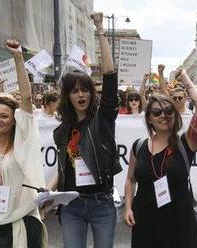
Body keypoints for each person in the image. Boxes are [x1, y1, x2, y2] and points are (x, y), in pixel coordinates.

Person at [53, 12, 122, 248]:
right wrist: (50, 192)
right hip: (72, 205)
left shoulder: (102, 119)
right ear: (67, 96)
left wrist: (100, 29)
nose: (81, 95)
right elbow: (64, 168)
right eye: (74, 91)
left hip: (102, 202)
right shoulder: (61, 131)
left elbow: (110, 77)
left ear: (92, 93)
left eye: (85, 90)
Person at [0, 40, 47, 247]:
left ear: (15, 120)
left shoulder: (23, 144)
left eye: (4, 115)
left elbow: (27, 97)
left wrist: (18, 58)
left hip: (22, 222)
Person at [124, 69, 197, 248]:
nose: (163, 115)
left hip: (179, 223)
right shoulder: (138, 146)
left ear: (175, 114)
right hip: (145, 221)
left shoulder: (186, 143)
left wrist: (184, 77)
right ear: (149, 119)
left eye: (168, 110)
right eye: (157, 113)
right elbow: (130, 179)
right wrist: (128, 207)